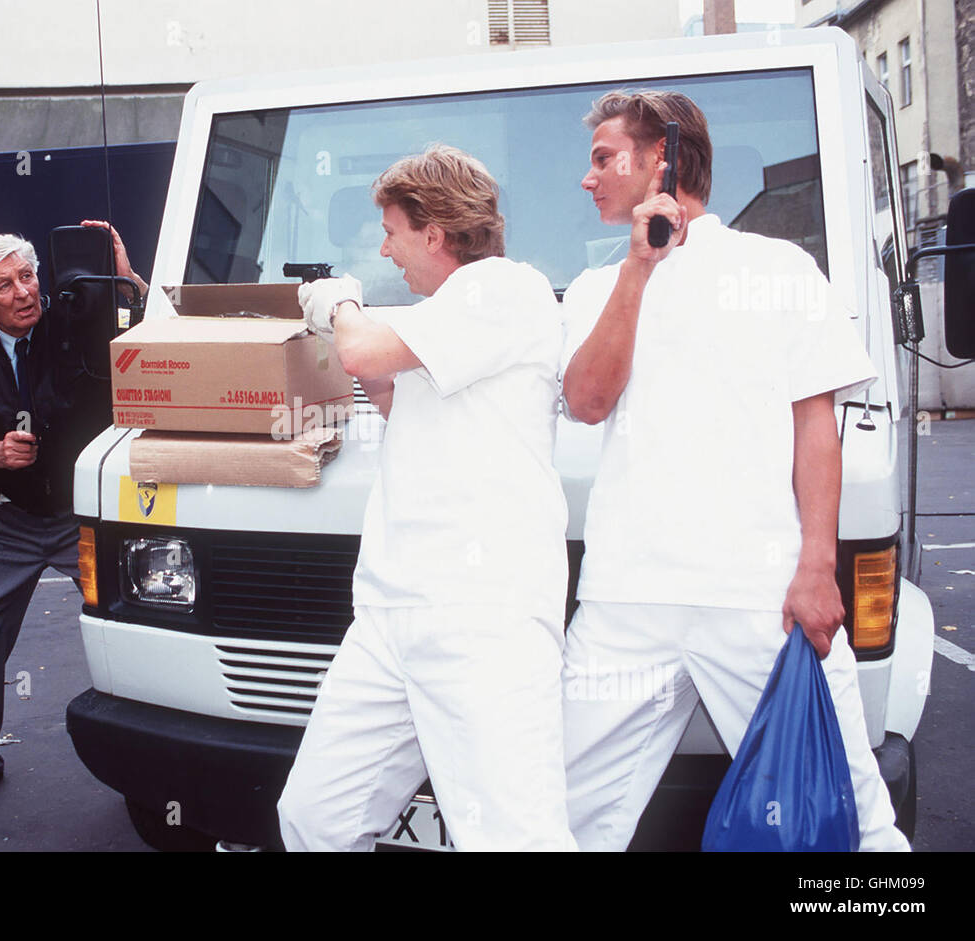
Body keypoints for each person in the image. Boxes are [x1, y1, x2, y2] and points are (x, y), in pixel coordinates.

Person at [559, 89, 910, 851]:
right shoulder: (597, 286)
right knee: (560, 817)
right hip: (626, 603)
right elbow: (587, 400)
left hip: (758, 599)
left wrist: (818, 566)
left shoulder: (777, 268)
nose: (587, 179)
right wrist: (636, 271)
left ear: (665, 158)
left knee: (849, 813)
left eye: (602, 159)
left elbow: (816, 426)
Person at [276, 144, 577, 851]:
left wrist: (340, 304)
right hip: (392, 611)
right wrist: (347, 330)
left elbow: (363, 357)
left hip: (483, 618)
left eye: (393, 231)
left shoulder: (505, 287)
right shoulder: (440, 316)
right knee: (317, 817)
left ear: (435, 233)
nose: (386, 248)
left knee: (515, 838)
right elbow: (391, 396)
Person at [0, 221, 146, 809]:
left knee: (146, 624)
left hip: (84, 517)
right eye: (5, 285)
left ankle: (163, 755)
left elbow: (148, 337)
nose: (24, 293)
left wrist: (123, 278)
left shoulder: (76, 325)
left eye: (28, 276)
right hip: (10, 524)